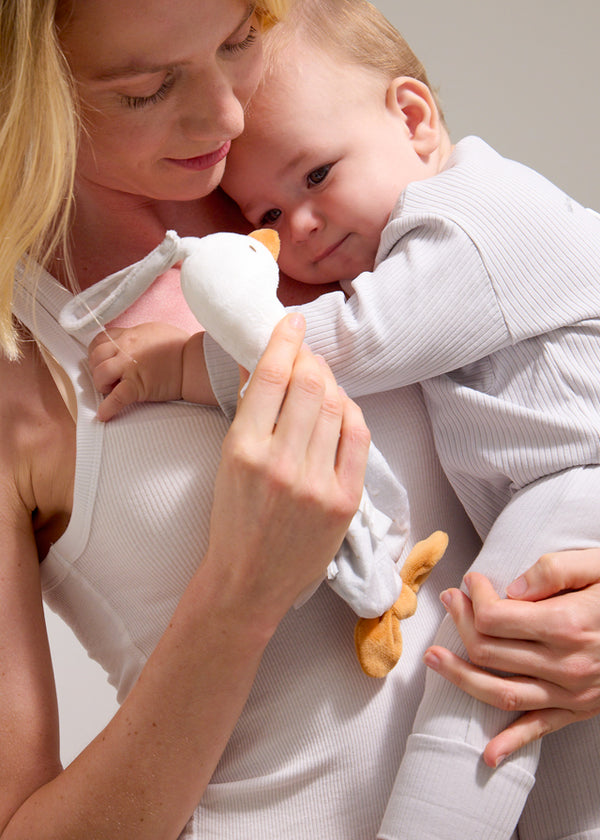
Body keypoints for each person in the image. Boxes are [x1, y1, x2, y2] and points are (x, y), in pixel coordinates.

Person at [1, 1, 600, 839]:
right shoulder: (16, 369)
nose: (228, 115)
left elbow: (565, 413)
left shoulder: (330, 163)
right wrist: (237, 598)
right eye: (146, 88)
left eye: (239, 40)